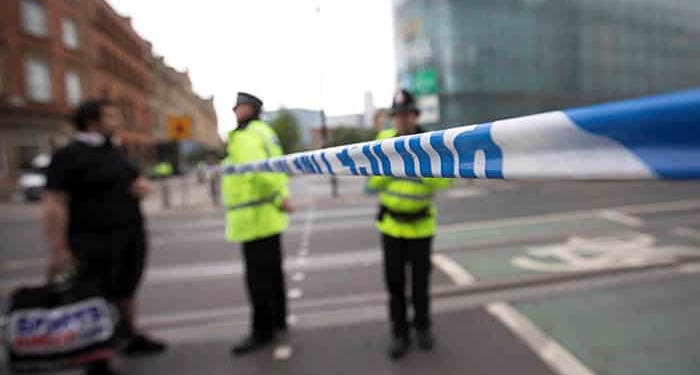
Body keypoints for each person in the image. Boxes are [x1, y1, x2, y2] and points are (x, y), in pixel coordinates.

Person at [43, 100, 167, 375]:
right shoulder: (69, 155)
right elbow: (54, 203)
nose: (117, 121)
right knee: (97, 296)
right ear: (91, 120)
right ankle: (97, 358)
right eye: (111, 116)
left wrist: (141, 187)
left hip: (129, 233)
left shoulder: (114, 149)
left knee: (127, 288)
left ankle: (129, 335)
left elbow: (133, 180)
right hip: (93, 239)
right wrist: (58, 249)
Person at [367, 89, 451, 360]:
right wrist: (393, 168)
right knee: (394, 285)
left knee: (419, 285)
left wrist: (413, 165)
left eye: (407, 115)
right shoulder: (383, 141)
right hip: (391, 226)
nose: (402, 120)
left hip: (421, 227)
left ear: (415, 116)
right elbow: (371, 183)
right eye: (397, 116)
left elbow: (444, 182)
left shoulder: (429, 144)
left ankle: (423, 327)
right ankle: (399, 332)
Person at [222, 92, 293, 355]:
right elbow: (277, 169)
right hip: (268, 215)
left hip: (253, 218)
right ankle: (279, 320)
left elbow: (257, 171)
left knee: (258, 279)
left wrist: (277, 196)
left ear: (249, 109)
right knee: (273, 274)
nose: (234, 112)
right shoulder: (266, 132)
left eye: (238, 107)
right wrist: (280, 197)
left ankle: (262, 331)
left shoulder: (245, 136)